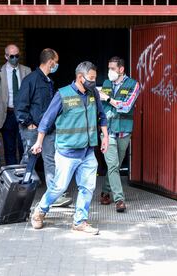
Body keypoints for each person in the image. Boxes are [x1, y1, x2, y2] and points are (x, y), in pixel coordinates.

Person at [30, 61, 109, 235]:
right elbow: (46, 121)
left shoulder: (93, 93)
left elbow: (102, 116)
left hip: (88, 151)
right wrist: (39, 142)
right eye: (91, 78)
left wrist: (105, 138)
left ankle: (79, 221)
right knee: (58, 187)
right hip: (67, 152)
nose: (94, 82)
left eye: (95, 78)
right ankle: (40, 211)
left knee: (87, 188)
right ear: (80, 78)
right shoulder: (63, 94)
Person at [15, 48, 72, 208]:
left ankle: (55, 195)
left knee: (50, 159)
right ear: (51, 62)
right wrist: (28, 124)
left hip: (48, 129)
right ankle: (19, 193)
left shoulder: (48, 81)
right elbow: (20, 106)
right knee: (29, 160)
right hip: (33, 130)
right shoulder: (31, 80)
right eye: (56, 62)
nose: (57, 65)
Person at [98, 56, 140, 212]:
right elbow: (101, 105)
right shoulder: (106, 83)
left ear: (121, 69)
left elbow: (127, 106)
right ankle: (119, 200)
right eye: (109, 68)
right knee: (114, 165)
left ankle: (105, 191)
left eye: (113, 69)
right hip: (107, 131)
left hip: (123, 131)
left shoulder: (133, 85)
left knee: (114, 165)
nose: (110, 72)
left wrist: (108, 98)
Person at [0, 44, 31, 165]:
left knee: (24, 147)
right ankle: (13, 177)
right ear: (6, 56)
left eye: (17, 56)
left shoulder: (27, 71)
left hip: (23, 114)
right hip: (7, 115)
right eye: (12, 56)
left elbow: (31, 95)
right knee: (9, 148)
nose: (15, 59)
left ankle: (24, 177)